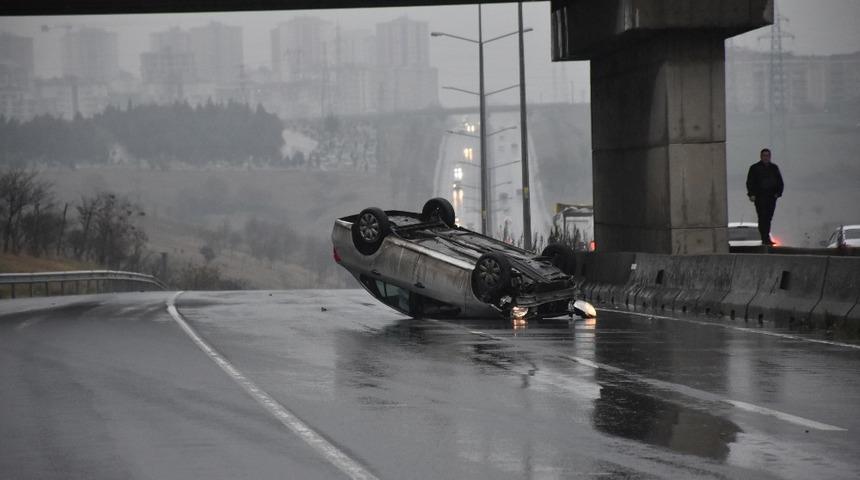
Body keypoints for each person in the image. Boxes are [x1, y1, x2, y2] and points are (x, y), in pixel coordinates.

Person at [746, 148, 784, 245]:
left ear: (770, 157)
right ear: (761, 156)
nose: (766, 157)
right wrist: (751, 194)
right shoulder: (754, 168)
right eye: (764, 155)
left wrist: (778, 193)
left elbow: (780, 182)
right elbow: (750, 182)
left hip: (771, 197)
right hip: (760, 197)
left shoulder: (774, 168)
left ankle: (766, 237)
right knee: (762, 217)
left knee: (768, 217)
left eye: (767, 155)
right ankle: (765, 238)